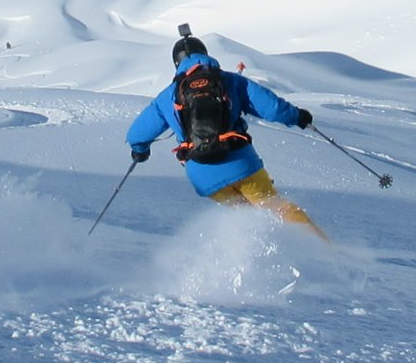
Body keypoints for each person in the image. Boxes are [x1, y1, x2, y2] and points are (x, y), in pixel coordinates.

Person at [125, 27, 326, 239]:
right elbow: (273, 108)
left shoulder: (168, 96)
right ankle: (323, 251)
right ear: (206, 54)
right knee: (275, 209)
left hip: (204, 177)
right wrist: (298, 117)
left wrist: (140, 151)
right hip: (241, 163)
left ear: (176, 63)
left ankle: (263, 254)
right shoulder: (231, 81)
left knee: (250, 219)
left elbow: (136, 135)